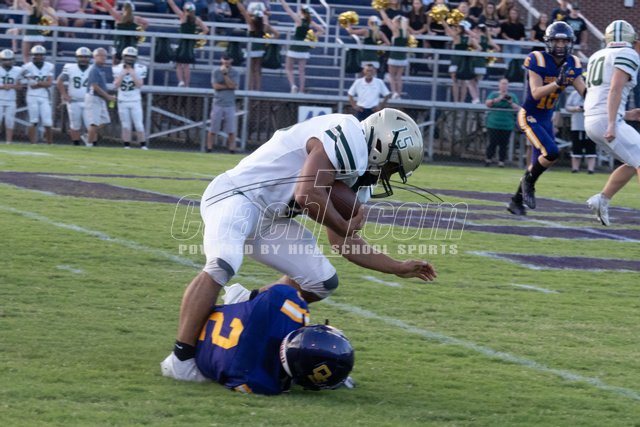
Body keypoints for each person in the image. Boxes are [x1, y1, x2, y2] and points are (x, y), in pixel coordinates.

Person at [160, 108, 436, 381]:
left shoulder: (359, 180)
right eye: (392, 166)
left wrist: (396, 267)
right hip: (237, 196)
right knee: (222, 263)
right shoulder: (347, 134)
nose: (388, 175)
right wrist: (343, 225)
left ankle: (244, 304)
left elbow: (343, 242)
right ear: (380, 145)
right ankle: (180, 360)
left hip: (271, 219)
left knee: (321, 281)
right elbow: (307, 193)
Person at [162, 284, 355, 392]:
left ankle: (241, 303)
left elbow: (275, 292)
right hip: (204, 355)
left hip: (213, 326)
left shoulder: (292, 308)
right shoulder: (258, 381)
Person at [507, 22, 586, 216]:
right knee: (551, 152)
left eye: (564, 41)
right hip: (529, 115)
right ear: (549, 42)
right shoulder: (538, 58)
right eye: (557, 41)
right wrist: (557, 83)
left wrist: (604, 101)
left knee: (538, 165)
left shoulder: (572, 63)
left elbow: (585, 92)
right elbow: (535, 93)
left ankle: (516, 202)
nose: (560, 45)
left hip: (546, 118)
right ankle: (527, 184)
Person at [584, 20, 640, 226]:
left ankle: (602, 199)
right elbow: (615, 88)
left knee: (633, 161)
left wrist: (625, 115)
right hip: (605, 120)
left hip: (591, 119)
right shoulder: (628, 53)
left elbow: (601, 93)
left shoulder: (597, 55)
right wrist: (611, 123)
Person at [279, 0, 324, 94]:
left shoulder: (298, 20)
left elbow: (288, 9)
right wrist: (311, 38)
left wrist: (281, 1)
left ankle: (293, 85)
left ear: (302, 12)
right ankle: (301, 90)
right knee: (301, 71)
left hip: (295, 46)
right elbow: (321, 30)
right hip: (304, 48)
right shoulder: (309, 21)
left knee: (288, 68)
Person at [236, 0, 278, 91]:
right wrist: (268, 42)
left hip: (251, 49)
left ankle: (250, 89)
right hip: (260, 49)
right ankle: (257, 89)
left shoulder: (251, 24)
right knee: (258, 70)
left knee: (250, 70)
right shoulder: (265, 26)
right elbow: (277, 34)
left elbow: (243, 12)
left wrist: (238, 2)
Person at [166, 0, 209, 88]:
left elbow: (173, 5)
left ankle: (181, 81)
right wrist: (197, 37)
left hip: (182, 43)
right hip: (190, 44)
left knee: (178, 63)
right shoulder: (197, 19)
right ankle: (187, 85)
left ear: (185, 9)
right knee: (186, 65)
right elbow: (206, 30)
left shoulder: (182, 16)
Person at [113, 47, 148, 149]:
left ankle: (143, 145)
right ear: (123, 57)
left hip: (135, 100)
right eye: (128, 56)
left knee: (139, 124)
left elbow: (139, 85)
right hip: (122, 100)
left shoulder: (141, 68)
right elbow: (116, 85)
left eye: (132, 57)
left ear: (135, 58)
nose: (129, 58)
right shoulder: (117, 68)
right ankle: (126, 146)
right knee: (125, 125)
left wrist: (133, 74)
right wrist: (122, 74)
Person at [56, 47, 92, 146]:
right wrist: (64, 95)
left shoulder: (93, 69)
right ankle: (76, 144)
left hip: (88, 101)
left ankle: (91, 144)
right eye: (81, 57)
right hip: (74, 101)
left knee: (91, 125)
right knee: (75, 125)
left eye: (86, 57)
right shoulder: (70, 67)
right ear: (77, 57)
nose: (83, 59)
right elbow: (59, 81)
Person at [21, 45, 54, 145]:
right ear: (32, 55)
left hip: (44, 96)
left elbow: (49, 83)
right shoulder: (26, 67)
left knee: (48, 122)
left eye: (40, 55)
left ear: (44, 56)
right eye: (36, 55)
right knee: (33, 121)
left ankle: (50, 144)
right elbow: (32, 85)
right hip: (32, 96)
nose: (38, 57)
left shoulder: (49, 66)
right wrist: (42, 83)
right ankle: (33, 144)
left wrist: (38, 83)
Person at [206, 53, 239, 153]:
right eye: (224, 59)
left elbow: (234, 86)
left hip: (230, 104)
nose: (226, 61)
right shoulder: (216, 71)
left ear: (231, 60)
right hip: (218, 103)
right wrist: (228, 86)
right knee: (213, 128)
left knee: (231, 129)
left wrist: (225, 75)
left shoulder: (235, 72)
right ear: (221, 60)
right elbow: (215, 86)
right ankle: (209, 147)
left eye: (228, 59)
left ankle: (232, 148)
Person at [99, 0, 148, 65]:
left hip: (119, 47)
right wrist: (139, 32)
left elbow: (109, 8)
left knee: (115, 66)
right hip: (131, 47)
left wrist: (102, 1)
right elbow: (146, 23)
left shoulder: (119, 17)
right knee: (130, 64)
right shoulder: (136, 19)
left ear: (123, 9)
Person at [484, 77, 519, 166]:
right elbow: (487, 104)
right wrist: (498, 99)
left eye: (506, 84)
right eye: (502, 84)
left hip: (507, 124)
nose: (504, 86)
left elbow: (517, 108)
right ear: (499, 85)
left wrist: (510, 102)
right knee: (493, 142)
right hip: (493, 123)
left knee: (504, 143)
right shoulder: (494, 94)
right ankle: (488, 159)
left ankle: (501, 161)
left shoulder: (512, 96)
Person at [85, 47, 115, 147]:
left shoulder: (100, 69)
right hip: (94, 98)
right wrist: (107, 96)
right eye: (100, 55)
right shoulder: (94, 69)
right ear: (95, 57)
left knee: (105, 121)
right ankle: (89, 144)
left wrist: (107, 96)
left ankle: (88, 134)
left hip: (100, 98)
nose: (103, 57)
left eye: (105, 56)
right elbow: (95, 86)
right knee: (94, 122)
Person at [443, 20, 480, 103]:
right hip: (464, 62)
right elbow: (479, 47)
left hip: (456, 61)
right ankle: (461, 101)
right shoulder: (469, 39)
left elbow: (446, 27)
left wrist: (441, 19)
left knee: (455, 82)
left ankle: (456, 101)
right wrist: (471, 54)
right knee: (463, 83)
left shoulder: (456, 37)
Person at [379, 12, 410, 99]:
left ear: (397, 23)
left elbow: (386, 20)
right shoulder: (406, 33)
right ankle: (398, 94)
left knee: (392, 76)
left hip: (394, 56)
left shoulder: (396, 31)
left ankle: (394, 93)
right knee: (399, 77)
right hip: (403, 57)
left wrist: (381, 10)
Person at [17, 0, 57, 64]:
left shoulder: (30, 8)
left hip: (29, 34)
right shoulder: (43, 10)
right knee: (38, 56)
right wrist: (46, 24)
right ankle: (35, 67)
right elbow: (55, 18)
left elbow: (21, 2)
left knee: (26, 56)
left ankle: (27, 67)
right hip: (39, 35)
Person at [565, 88, 595, 173]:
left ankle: (590, 169)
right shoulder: (574, 94)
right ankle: (575, 168)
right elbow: (567, 107)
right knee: (576, 147)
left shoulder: (594, 93)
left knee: (591, 147)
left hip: (591, 125)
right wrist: (576, 108)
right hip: (577, 125)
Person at [469, 23, 500, 104]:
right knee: (475, 83)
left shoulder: (476, 38)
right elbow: (497, 48)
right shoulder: (488, 39)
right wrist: (489, 56)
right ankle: (476, 99)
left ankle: (476, 99)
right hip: (483, 64)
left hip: (475, 63)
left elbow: (479, 48)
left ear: (478, 30)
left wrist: (472, 53)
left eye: (476, 29)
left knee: (471, 82)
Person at [0, 49, 22, 144]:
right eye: (5, 59)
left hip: (11, 99)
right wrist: (3, 86)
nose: (8, 62)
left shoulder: (17, 70)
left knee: (10, 121)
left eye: (10, 59)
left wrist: (11, 86)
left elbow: (20, 86)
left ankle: (9, 141)